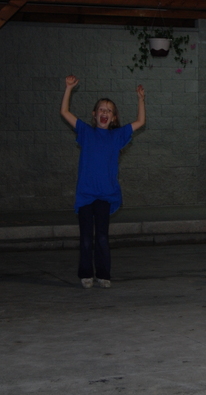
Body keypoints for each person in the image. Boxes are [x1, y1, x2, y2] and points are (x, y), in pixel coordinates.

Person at [60, 75, 146, 289]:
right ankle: (86, 273)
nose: (104, 113)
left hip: (105, 195)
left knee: (101, 237)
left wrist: (140, 99)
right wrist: (68, 88)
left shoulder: (116, 136)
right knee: (86, 238)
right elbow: (65, 112)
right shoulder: (86, 132)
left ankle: (103, 274)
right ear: (94, 114)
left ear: (113, 117)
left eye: (109, 110)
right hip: (86, 194)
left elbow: (140, 122)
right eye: (101, 109)